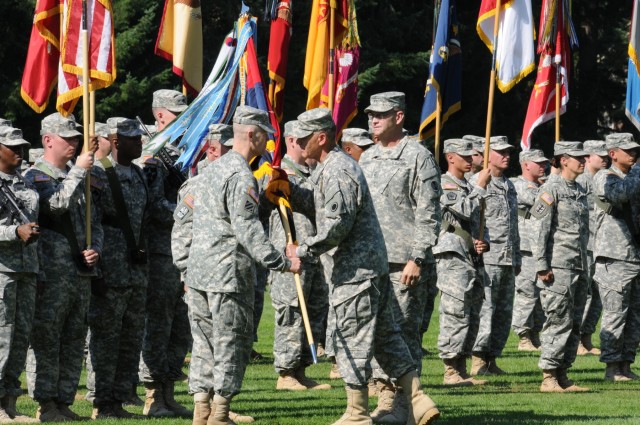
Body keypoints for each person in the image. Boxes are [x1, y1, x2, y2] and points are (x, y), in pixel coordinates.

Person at [269, 108, 439, 425]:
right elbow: (321, 206)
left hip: (355, 273)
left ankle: (357, 412)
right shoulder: (330, 169)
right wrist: (289, 190)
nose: (298, 144)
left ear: (321, 138)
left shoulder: (337, 170)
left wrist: (302, 250)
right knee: (387, 339)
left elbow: (337, 225)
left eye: (304, 139)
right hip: (368, 270)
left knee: (351, 338)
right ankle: (418, 398)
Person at [186, 106, 300, 425]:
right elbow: (246, 227)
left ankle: (201, 410)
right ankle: (219, 413)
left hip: (199, 272)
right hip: (226, 273)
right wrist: (281, 262)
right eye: (266, 136)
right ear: (252, 134)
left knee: (204, 344)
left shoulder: (210, 171)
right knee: (231, 343)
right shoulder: (240, 174)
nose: (269, 143)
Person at [359, 92, 441, 423]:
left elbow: (429, 213)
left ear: (399, 117)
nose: (373, 120)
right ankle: (386, 396)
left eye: (380, 115)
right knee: (377, 331)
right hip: (373, 261)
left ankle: (407, 405)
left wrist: (418, 258)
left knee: (404, 332)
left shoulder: (419, 157)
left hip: (405, 262)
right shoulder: (366, 159)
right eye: (370, 114)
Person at [23, 113, 102, 422]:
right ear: (48, 140)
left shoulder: (78, 175)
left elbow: (93, 223)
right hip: (51, 273)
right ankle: (45, 403)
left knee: (73, 338)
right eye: (67, 138)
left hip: (80, 270)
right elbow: (55, 206)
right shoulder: (36, 177)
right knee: (47, 338)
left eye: (75, 138)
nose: (74, 143)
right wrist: (78, 172)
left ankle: (65, 400)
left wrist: (97, 249)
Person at [88, 117, 158, 419]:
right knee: (106, 338)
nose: (140, 143)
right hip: (111, 268)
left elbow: (150, 214)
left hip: (136, 269)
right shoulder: (99, 174)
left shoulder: (139, 175)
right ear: (116, 142)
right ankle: (102, 401)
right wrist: (97, 271)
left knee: (131, 336)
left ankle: (119, 397)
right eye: (133, 139)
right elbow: (91, 224)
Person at [138, 89, 191, 418]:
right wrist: (189, 212)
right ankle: (153, 395)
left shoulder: (183, 150)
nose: (184, 119)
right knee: (158, 323)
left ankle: (170, 391)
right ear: (160, 115)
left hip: (182, 250)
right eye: (177, 113)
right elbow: (156, 206)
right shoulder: (154, 154)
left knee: (179, 325)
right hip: (160, 251)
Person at [269, 120, 330, 392]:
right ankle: (286, 372)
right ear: (291, 141)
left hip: (314, 252)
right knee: (291, 310)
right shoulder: (277, 173)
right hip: (290, 251)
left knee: (315, 309)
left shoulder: (314, 172)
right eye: (302, 141)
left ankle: (302, 368)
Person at [530, 141, 590, 392]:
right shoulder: (550, 189)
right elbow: (538, 227)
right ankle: (549, 377)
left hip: (578, 266)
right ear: (563, 160)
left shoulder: (577, 190)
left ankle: (563, 373)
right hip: (558, 267)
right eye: (577, 157)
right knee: (557, 321)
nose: (583, 161)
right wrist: (542, 265)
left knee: (574, 323)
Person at [434, 139, 490, 387]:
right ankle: (450, 370)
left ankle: (462, 367)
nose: (470, 160)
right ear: (450, 158)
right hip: (452, 255)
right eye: (464, 156)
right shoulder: (445, 183)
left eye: (472, 156)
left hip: (470, 255)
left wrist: (482, 241)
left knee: (472, 312)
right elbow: (464, 210)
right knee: (455, 311)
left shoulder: (468, 185)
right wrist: (480, 186)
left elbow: (478, 219)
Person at [469, 136, 520, 376]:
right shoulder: (478, 182)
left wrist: (517, 257)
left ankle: (491, 358)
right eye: (501, 152)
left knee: (503, 311)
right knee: (485, 309)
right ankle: (478, 359)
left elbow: (513, 225)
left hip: (508, 257)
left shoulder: (509, 185)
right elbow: (466, 216)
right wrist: (473, 243)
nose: (507, 156)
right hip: (488, 257)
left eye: (508, 152)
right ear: (487, 155)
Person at [592, 133, 640, 382]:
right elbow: (620, 195)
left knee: (634, 316)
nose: (633, 154)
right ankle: (612, 367)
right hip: (614, 256)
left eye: (635, 150)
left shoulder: (634, 177)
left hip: (635, 255)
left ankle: (626, 364)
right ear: (613, 154)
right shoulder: (605, 177)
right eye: (628, 150)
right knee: (615, 313)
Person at [0, 127, 40, 423]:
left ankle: (10, 404)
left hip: (28, 269)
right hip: (3, 271)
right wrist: (14, 231)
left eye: (22, 146)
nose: (20, 151)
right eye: (12, 146)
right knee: (2, 336)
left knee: (19, 338)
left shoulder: (25, 183)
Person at [510, 149, 549, 351]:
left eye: (544, 163)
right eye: (538, 163)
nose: (543, 166)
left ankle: (535, 332)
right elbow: (540, 206)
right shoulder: (519, 185)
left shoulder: (541, 186)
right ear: (526, 164)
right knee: (526, 293)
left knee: (541, 293)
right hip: (525, 246)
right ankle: (524, 336)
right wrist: (551, 191)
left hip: (539, 246)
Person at [575, 140, 609, 356]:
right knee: (583, 293)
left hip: (602, 244)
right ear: (587, 157)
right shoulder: (580, 180)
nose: (605, 158)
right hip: (584, 245)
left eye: (607, 155)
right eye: (600, 155)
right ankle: (576, 338)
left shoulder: (603, 180)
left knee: (596, 294)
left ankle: (587, 337)